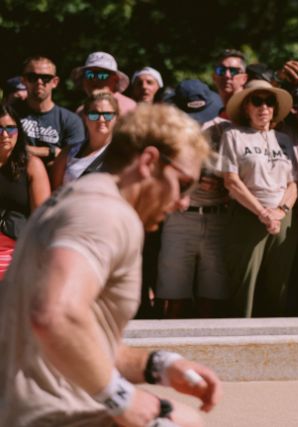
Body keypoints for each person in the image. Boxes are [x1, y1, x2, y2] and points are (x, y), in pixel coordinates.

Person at [0, 103, 221, 426]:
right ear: (148, 162)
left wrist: (158, 365)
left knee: (186, 419)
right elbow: (54, 315)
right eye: (184, 183)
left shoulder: (85, 197)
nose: (184, 201)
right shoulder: (104, 213)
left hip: (33, 406)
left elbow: (83, 340)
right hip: (46, 414)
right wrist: (119, 396)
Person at [220, 80, 298, 317]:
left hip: (282, 215)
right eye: (257, 101)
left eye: (269, 101)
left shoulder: (284, 139)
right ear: (246, 107)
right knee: (244, 284)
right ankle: (239, 344)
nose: (263, 107)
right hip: (247, 214)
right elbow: (231, 180)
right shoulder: (233, 135)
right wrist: (262, 212)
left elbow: (293, 183)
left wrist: (280, 211)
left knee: (278, 284)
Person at [156, 79, 228, 318]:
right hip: (180, 219)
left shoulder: (222, 130)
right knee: (173, 294)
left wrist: (224, 183)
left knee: (214, 296)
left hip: (219, 217)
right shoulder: (166, 136)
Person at [0, 104, 50, 280]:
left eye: (11, 128)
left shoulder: (32, 165)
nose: (5, 135)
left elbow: (42, 220)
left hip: (18, 260)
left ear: (19, 131)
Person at [17, 56, 86, 165]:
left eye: (45, 78)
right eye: (32, 77)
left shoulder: (71, 120)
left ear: (55, 82)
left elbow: (74, 161)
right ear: (23, 81)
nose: (39, 82)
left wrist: (23, 150)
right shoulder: (10, 114)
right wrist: (49, 151)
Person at [50, 92, 119, 190]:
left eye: (107, 114)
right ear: (85, 117)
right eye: (94, 114)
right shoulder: (68, 152)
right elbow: (55, 192)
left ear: (117, 118)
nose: (101, 119)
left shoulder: (121, 156)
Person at [71, 51, 137, 114]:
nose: (94, 79)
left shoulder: (129, 109)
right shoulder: (81, 112)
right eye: (90, 75)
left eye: (102, 75)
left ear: (115, 79)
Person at [211, 49, 248, 117]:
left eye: (233, 71)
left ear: (244, 78)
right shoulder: (210, 111)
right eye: (221, 70)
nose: (227, 75)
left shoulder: (250, 111)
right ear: (214, 77)